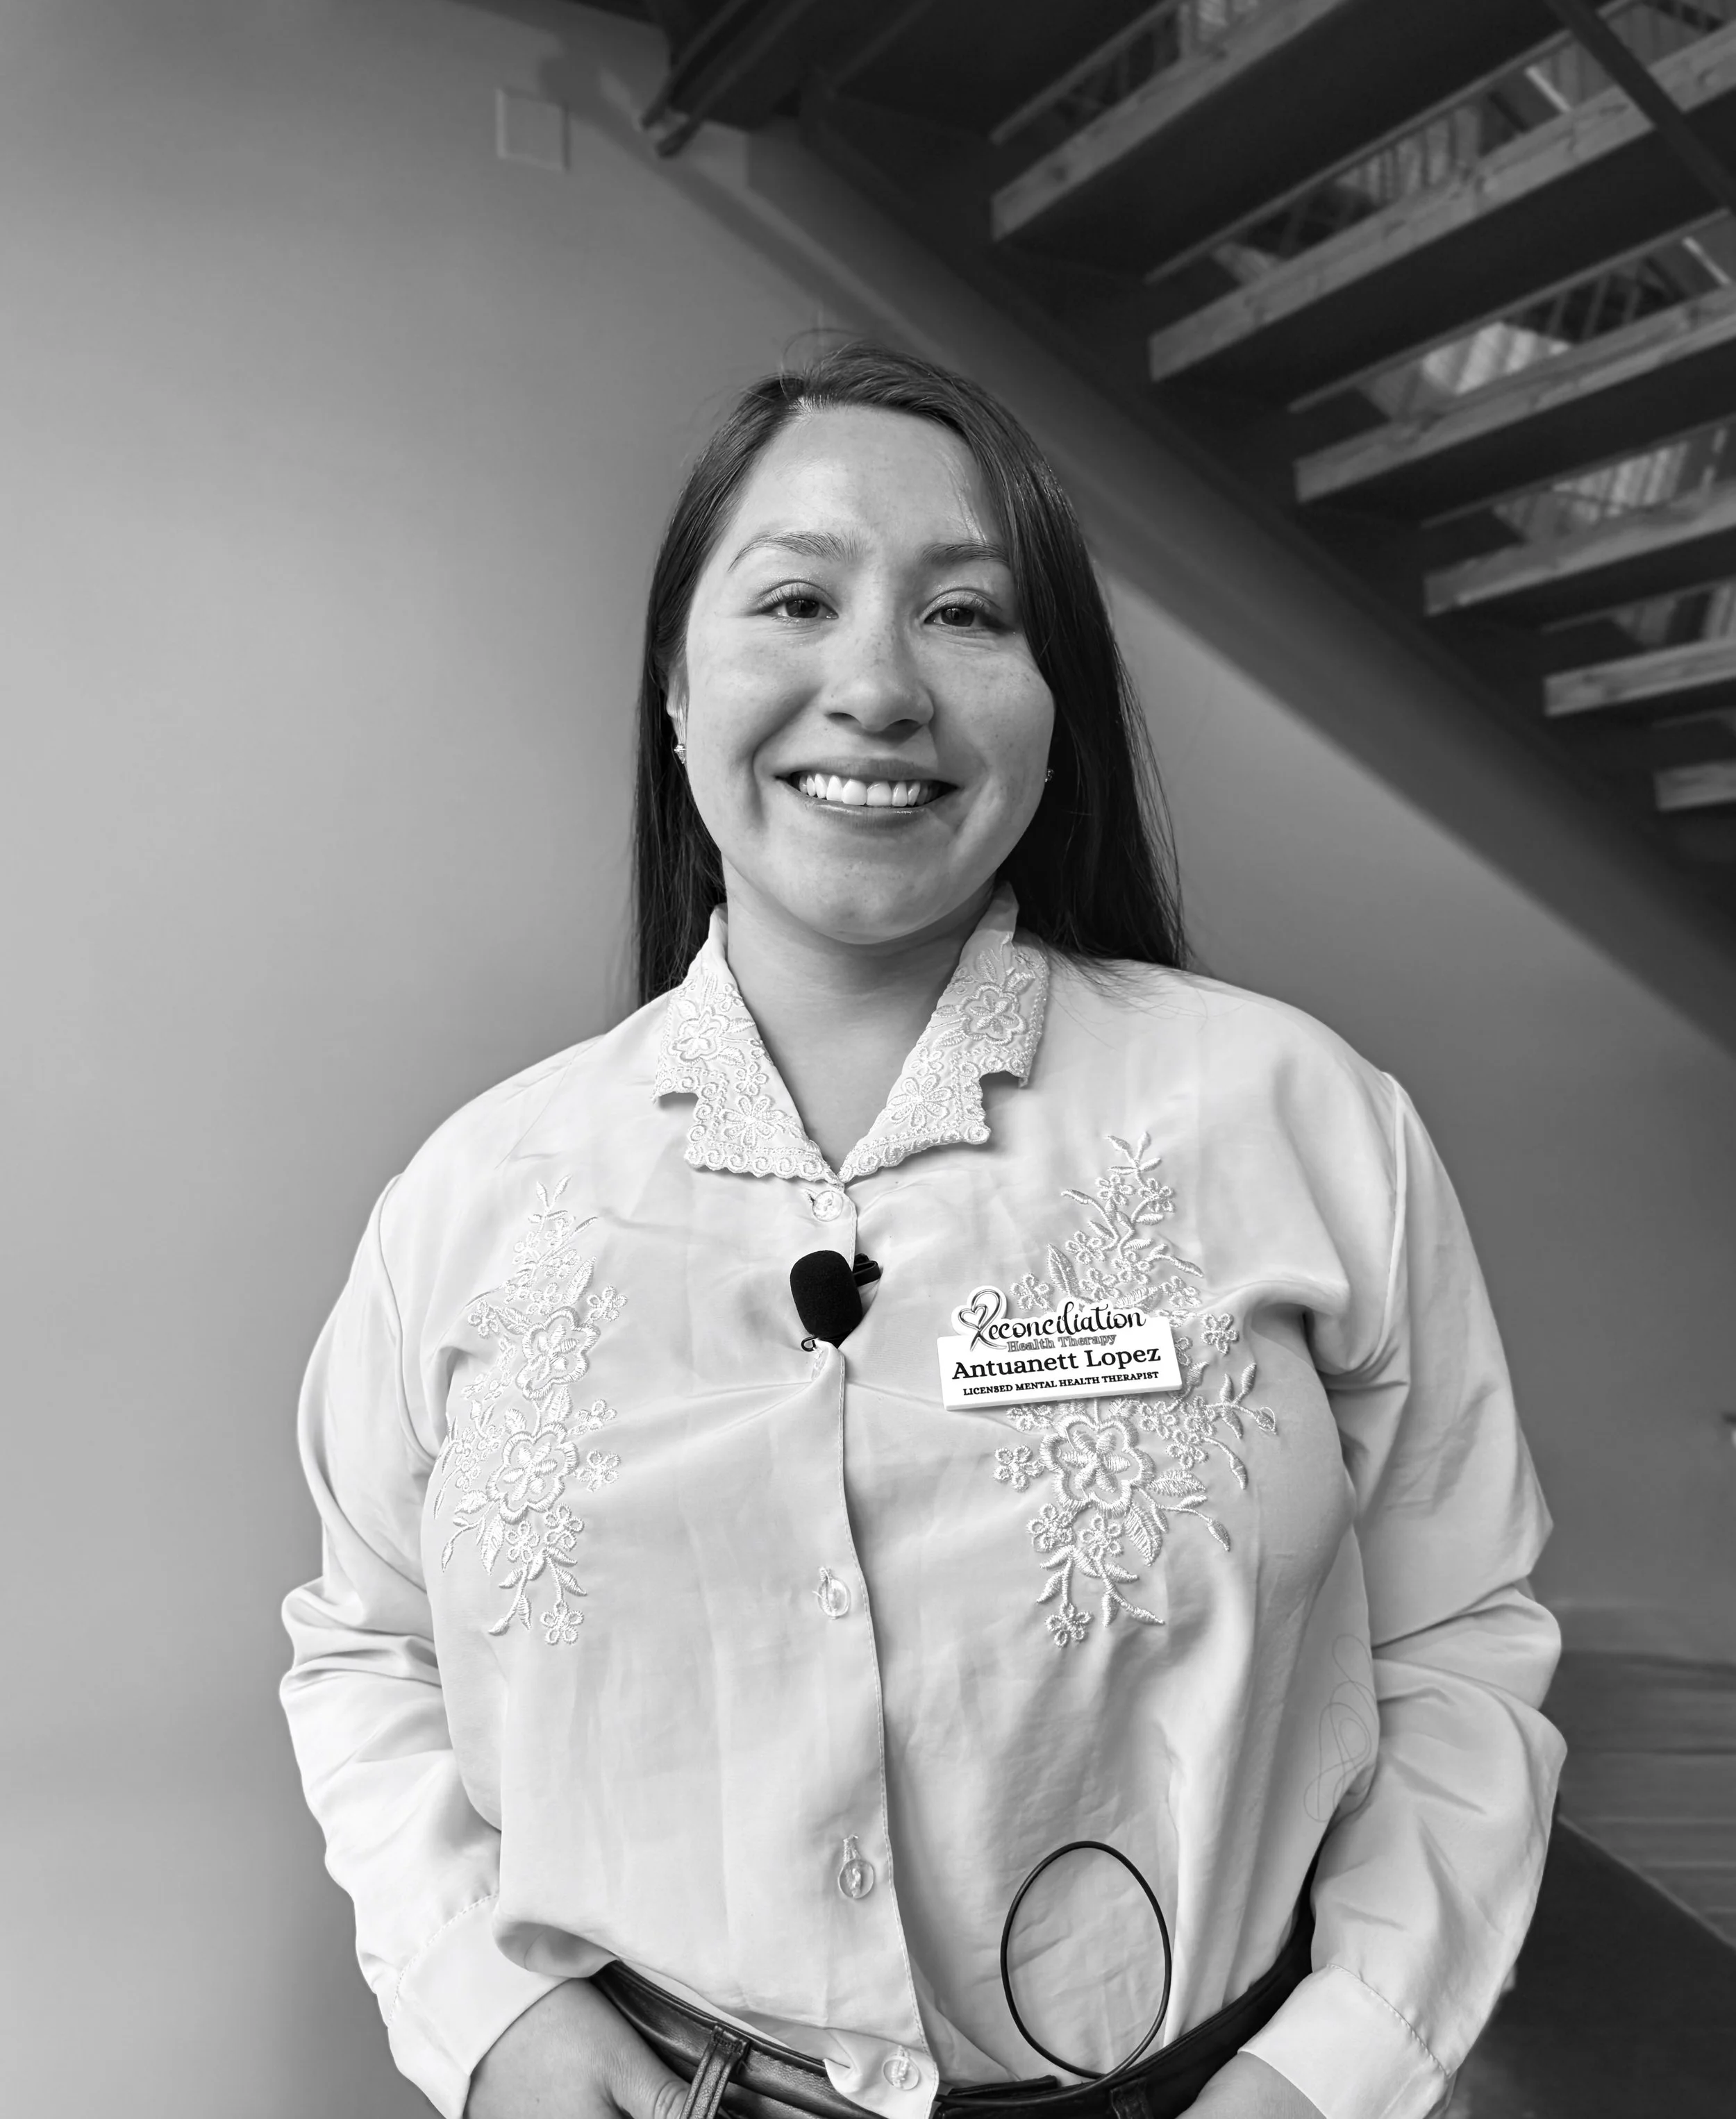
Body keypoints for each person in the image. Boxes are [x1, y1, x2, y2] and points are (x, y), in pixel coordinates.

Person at [282, 344, 1564, 2119]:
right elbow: (367, 1643)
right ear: (672, 688)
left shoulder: (1302, 1120)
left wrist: (1324, 2071)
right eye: (796, 598)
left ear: (1056, 703)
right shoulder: (473, 1194)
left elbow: (1457, 1639)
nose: (875, 685)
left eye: (966, 614)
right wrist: (479, 2006)